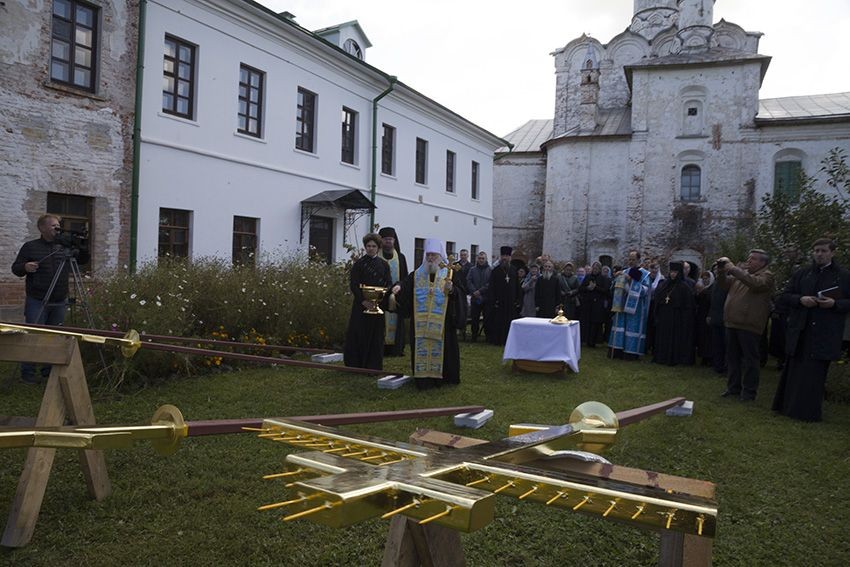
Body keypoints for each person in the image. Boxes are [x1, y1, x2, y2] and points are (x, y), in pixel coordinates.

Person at [772, 238, 850, 421]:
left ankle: (807, 412)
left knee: (814, 374)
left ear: (832, 253)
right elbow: (784, 296)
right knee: (794, 370)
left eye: (823, 251)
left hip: (825, 332)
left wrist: (834, 304)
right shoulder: (803, 273)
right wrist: (800, 300)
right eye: (816, 251)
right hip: (801, 329)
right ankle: (787, 407)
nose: (819, 254)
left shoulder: (843, 276)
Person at [12, 213, 90, 384]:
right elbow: (16, 268)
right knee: (33, 335)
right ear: (42, 228)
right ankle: (28, 373)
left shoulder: (64, 247)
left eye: (58, 225)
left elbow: (83, 260)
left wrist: (83, 246)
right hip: (37, 298)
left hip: (59, 299)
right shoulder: (30, 247)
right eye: (54, 225)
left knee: (54, 337)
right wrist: (25, 266)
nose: (57, 228)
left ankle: (48, 372)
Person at [391, 238, 462, 389]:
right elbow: (405, 284)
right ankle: (423, 379)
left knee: (445, 350)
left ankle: (443, 378)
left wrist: (452, 289)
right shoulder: (417, 274)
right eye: (428, 255)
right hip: (421, 324)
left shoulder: (449, 273)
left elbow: (460, 293)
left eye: (433, 255)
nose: (430, 258)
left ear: (440, 256)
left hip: (442, 323)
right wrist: (398, 287)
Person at [716, 249, 775, 401]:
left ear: (762, 262)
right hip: (732, 322)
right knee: (732, 358)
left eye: (753, 259)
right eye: (749, 258)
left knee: (750, 361)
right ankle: (733, 388)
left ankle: (749, 392)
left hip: (749, 325)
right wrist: (721, 272)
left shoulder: (766, 276)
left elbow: (755, 284)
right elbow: (724, 285)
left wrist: (733, 269)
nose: (749, 261)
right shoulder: (742, 274)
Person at [343, 233, 392, 370]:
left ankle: (373, 365)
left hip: (377, 306)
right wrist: (363, 301)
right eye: (368, 246)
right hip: (361, 307)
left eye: (373, 246)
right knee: (359, 333)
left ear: (378, 248)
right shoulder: (359, 264)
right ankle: (356, 364)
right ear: (365, 247)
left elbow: (388, 283)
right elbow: (354, 284)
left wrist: (381, 298)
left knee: (376, 336)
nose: (371, 248)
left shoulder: (384, 265)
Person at [608, 251, 652, 360]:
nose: (631, 261)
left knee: (632, 329)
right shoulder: (624, 271)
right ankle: (617, 350)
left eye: (633, 259)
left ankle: (630, 353)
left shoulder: (645, 274)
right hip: (622, 305)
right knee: (621, 327)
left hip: (636, 308)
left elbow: (644, 291)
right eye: (630, 259)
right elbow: (614, 287)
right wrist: (616, 279)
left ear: (638, 260)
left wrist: (630, 281)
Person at [652, 262, 696, 366]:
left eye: (675, 272)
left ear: (679, 273)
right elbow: (658, 299)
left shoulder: (684, 287)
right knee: (663, 337)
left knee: (675, 338)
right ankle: (662, 356)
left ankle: (674, 358)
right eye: (671, 272)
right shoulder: (664, 285)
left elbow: (688, 306)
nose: (673, 274)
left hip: (677, 318)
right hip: (664, 316)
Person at [378, 227, 408, 357]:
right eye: (385, 239)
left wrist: (400, 286)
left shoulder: (400, 257)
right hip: (379, 296)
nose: (388, 241)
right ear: (381, 241)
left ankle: (396, 349)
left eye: (390, 239)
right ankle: (381, 348)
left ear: (394, 240)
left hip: (396, 296)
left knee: (396, 321)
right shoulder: (376, 256)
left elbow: (405, 277)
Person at [488, 246, 520, 345]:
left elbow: (518, 286)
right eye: (503, 256)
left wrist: (518, 300)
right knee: (498, 321)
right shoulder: (495, 271)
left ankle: (509, 340)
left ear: (510, 257)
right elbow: (492, 287)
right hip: (499, 302)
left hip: (511, 302)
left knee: (510, 321)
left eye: (507, 256)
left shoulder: (514, 270)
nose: (505, 258)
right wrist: (493, 301)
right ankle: (498, 340)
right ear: (501, 257)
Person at [578, 261, 611, 347]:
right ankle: (585, 340)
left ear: (599, 269)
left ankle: (594, 341)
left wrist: (595, 287)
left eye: (597, 268)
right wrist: (588, 288)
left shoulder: (603, 278)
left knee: (595, 323)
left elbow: (606, 291)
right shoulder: (588, 277)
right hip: (588, 303)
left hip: (598, 304)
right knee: (586, 322)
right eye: (594, 268)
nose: (595, 270)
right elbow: (581, 288)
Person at [707, 263, 728, 374]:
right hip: (715, 317)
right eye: (714, 269)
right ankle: (717, 365)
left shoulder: (727, 283)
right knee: (716, 343)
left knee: (725, 344)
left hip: (725, 318)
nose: (716, 271)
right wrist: (710, 314)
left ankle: (725, 367)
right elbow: (713, 302)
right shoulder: (715, 283)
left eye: (718, 269)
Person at [466, 251, 491, 342]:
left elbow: (490, 283)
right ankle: (474, 336)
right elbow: (468, 281)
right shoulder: (472, 269)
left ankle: (488, 337)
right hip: (475, 298)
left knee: (487, 318)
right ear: (477, 259)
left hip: (486, 298)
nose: (481, 260)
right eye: (479, 258)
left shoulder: (490, 270)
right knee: (474, 318)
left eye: (483, 258)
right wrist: (474, 291)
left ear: (486, 259)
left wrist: (480, 291)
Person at [694, 271, 715, 366]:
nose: (705, 280)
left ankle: (709, 357)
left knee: (708, 338)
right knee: (702, 337)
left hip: (708, 315)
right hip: (701, 316)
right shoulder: (700, 288)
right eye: (703, 279)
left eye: (707, 278)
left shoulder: (712, 289)